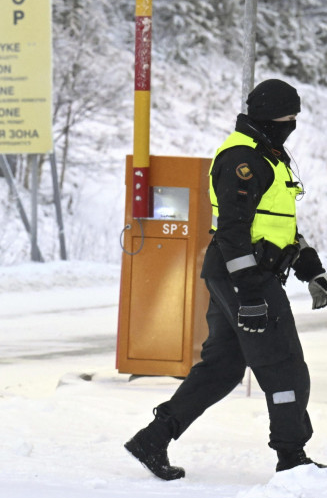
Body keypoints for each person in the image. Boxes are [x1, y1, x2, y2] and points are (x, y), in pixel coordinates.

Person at [125, 79, 327, 480]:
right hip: (244, 276)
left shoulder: (267, 155)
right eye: (288, 118)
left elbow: (273, 225)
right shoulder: (243, 159)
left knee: (223, 368)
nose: (292, 125)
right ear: (270, 118)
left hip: (241, 274)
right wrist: (251, 293)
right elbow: (234, 232)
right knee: (284, 367)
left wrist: (308, 265)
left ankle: (154, 437)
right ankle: (292, 459)